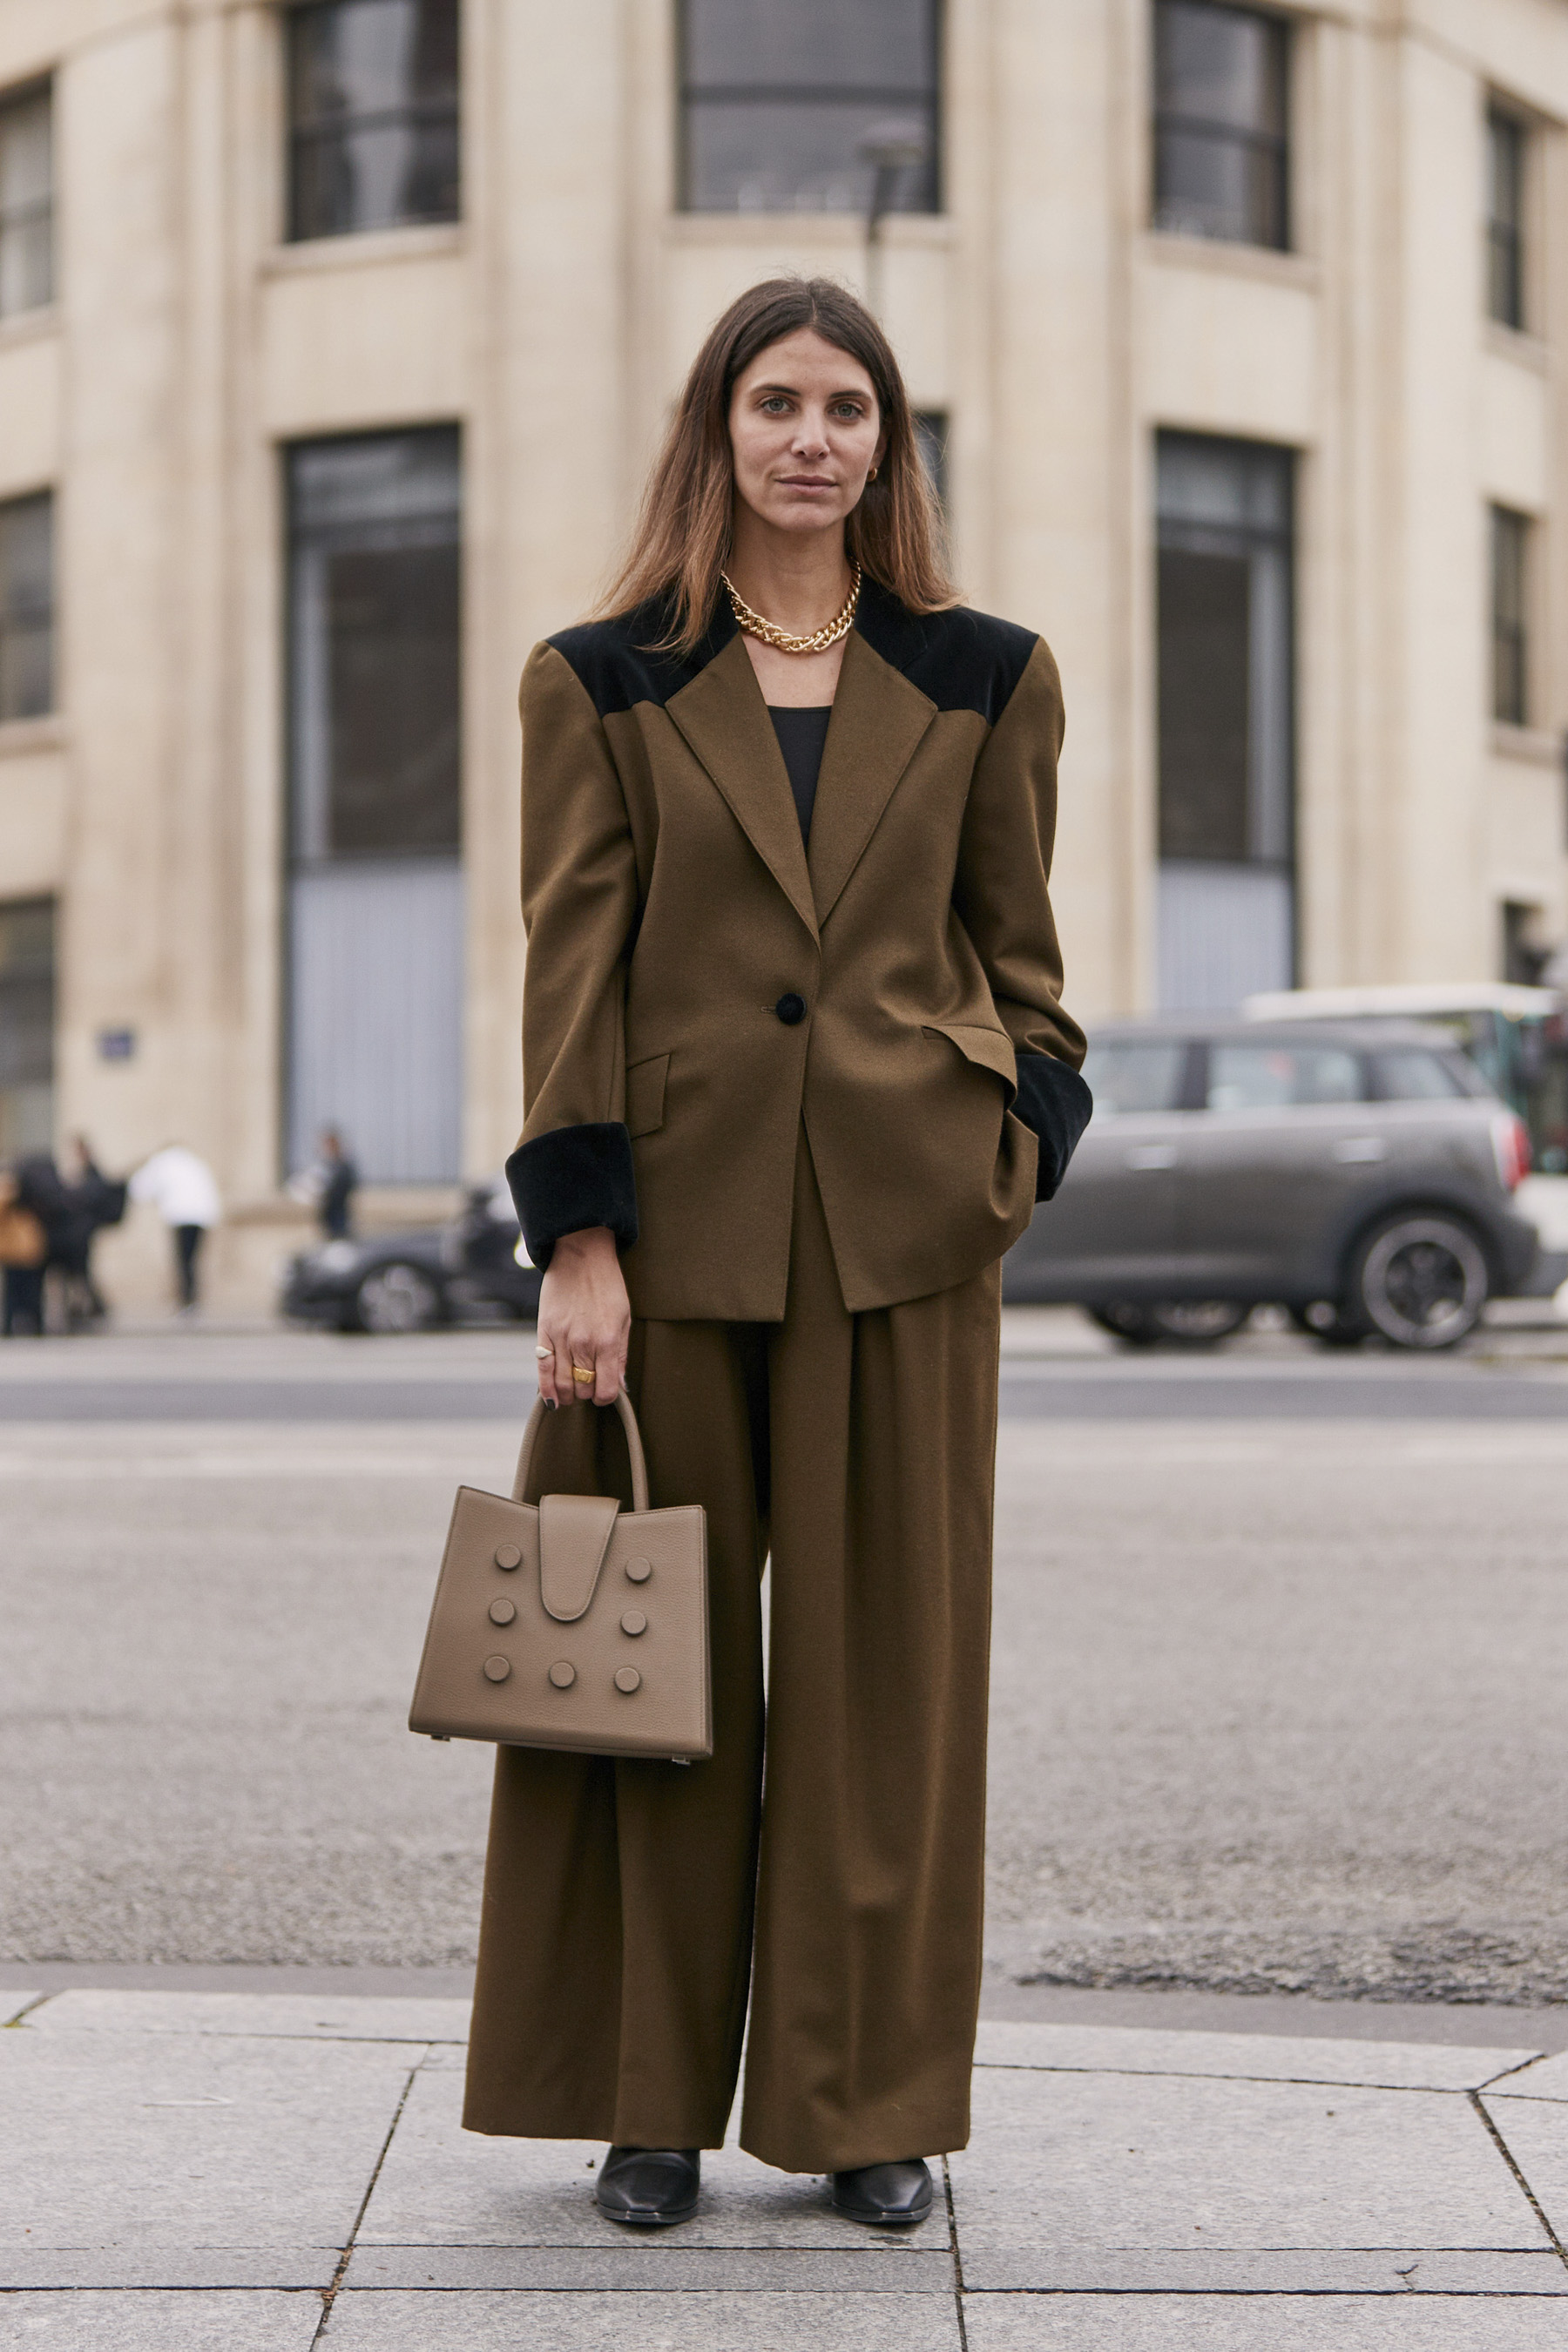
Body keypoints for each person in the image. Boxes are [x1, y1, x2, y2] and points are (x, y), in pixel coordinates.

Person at [463, 278, 1091, 2232]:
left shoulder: (988, 671)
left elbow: (1023, 960)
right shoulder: (601, 677)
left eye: (850, 408)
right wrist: (576, 1234)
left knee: (884, 1693)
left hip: (909, 1236)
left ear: (888, 444)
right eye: (777, 403)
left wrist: (1021, 1134)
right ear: (716, 431)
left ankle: (861, 2103)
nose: (813, 437)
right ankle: (643, 2101)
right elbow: (573, 961)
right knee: (643, 1674)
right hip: (663, 1244)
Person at [129, 1142, 221, 1313]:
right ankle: (190, 1297)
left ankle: (186, 1298)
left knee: (183, 1259)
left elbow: (141, 1189)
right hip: (202, 1216)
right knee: (192, 1258)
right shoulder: (194, 1162)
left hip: (181, 1216)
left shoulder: (163, 1162)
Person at [50, 1137, 126, 1328]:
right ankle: (84, 1308)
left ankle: (90, 1308)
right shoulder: (85, 1174)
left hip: (80, 1235)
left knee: (80, 1273)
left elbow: (88, 1202)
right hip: (78, 1234)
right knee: (78, 1274)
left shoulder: (91, 1175)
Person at [0, 1155, 60, 1336]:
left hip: (18, 1249)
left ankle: (20, 1326)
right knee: (25, 1291)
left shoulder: (15, 1191)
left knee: (18, 1292)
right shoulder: (37, 1193)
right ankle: (31, 1325)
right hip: (26, 1249)